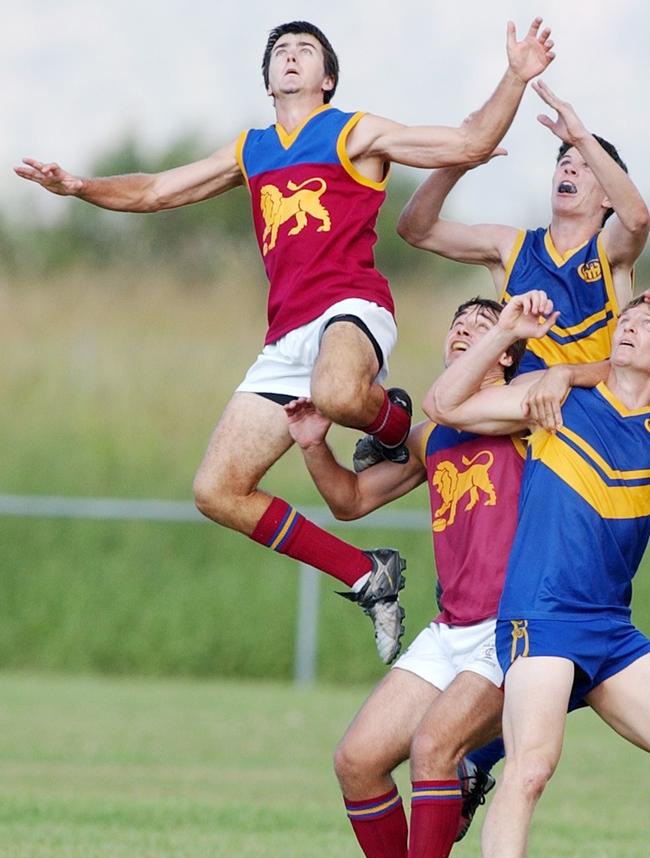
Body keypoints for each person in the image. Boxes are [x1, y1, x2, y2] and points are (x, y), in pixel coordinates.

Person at [14, 19, 555, 664]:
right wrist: (79, 187)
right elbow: (157, 191)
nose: (290, 57)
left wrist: (517, 76)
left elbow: (470, 140)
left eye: (305, 51)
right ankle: (365, 573)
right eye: (280, 52)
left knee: (334, 389)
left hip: (353, 309)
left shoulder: (354, 131)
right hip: (286, 337)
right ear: (269, 79)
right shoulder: (252, 149)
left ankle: (393, 419)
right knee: (217, 490)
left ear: (326, 78)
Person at [285, 295, 599, 858]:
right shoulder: (431, 437)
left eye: (483, 326)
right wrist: (312, 445)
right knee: (356, 763)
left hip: (514, 626)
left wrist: (529, 349)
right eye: (458, 325)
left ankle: (475, 768)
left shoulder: (528, 414)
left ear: (504, 355)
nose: (465, 331)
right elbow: (349, 501)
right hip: (450, 627)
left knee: (434, 747)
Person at [424, 290, 650, 858]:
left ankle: (478, 760)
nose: (630, 326)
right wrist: (508, 339)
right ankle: (485, 763)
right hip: (543, 616)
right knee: (532, 769)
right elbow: (444, 406)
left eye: (647, 325)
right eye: (629, 318)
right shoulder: (555, 398)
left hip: (612, 629)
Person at [398, 80, 649, 374]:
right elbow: (416, 230)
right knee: (438, 411)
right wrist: (458, 163)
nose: (569, 169)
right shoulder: (510, 245)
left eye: (587, 167)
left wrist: (580, 137)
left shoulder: (610, 250)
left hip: (585, 407)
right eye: (565, 162)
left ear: (609, 196)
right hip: (513, 406)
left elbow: (637, 219)